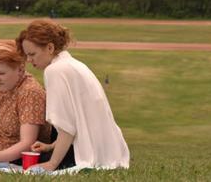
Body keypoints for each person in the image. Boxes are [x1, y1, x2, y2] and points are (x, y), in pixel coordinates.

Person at [17, 19, 130, 172]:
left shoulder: (55, 70)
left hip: (83, 154)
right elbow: (79, 121)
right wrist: (51, 146)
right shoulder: (72, 64)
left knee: (16, 157)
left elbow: (67, 127)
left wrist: (52, 164)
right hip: (107, 151)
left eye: (32, 54)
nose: (29, 60)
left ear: (50, 47)